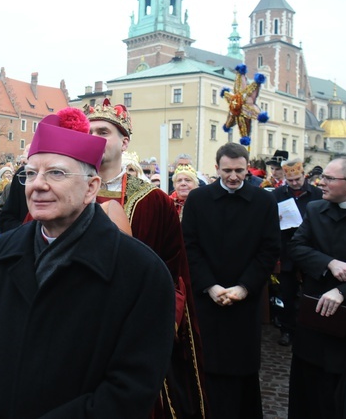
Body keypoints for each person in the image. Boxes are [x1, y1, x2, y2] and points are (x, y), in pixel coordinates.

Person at [0, 107, 176, 418]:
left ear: (91, 188)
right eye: (30, 173)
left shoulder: (142, 274)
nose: (37, 185)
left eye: (56, 173)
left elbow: (130, 388)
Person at [85, 99, 208, 418]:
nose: (94, 136)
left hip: (133, 329)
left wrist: (162, 323)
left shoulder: (153, 201)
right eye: (89, 131)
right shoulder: (67, 191)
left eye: (103, 131)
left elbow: (173, 269)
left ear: (124, 141)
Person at [181, 142, 281, 418]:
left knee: (242, 368)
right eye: (227, 171)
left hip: (244, 298)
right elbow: (190, 247)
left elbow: (269, 249)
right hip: (207, 296)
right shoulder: (198, 199)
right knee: (206, 364)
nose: (234, 177)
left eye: (239, 170)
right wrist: (210, 286)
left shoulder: (264, 201)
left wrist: (244, 287)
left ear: (247, 168)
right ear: (217, 168)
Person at [288, 158, 346, 418]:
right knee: (311, 393)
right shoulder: (315, 210)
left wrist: (345, 291)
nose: (319, 182)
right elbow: (296, 248)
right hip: (315, 321)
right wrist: (329, 263)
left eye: (328, 178)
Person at [270, 159, 322, 347]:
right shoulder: (277, 194)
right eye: (290, 180)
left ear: (304, 175)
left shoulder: (317, 194)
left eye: (297, 179)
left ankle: (308, 331)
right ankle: (287, 330)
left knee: (311, 292)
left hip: (310, 249)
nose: (294, 183)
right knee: (287, 293)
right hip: (287, 250)